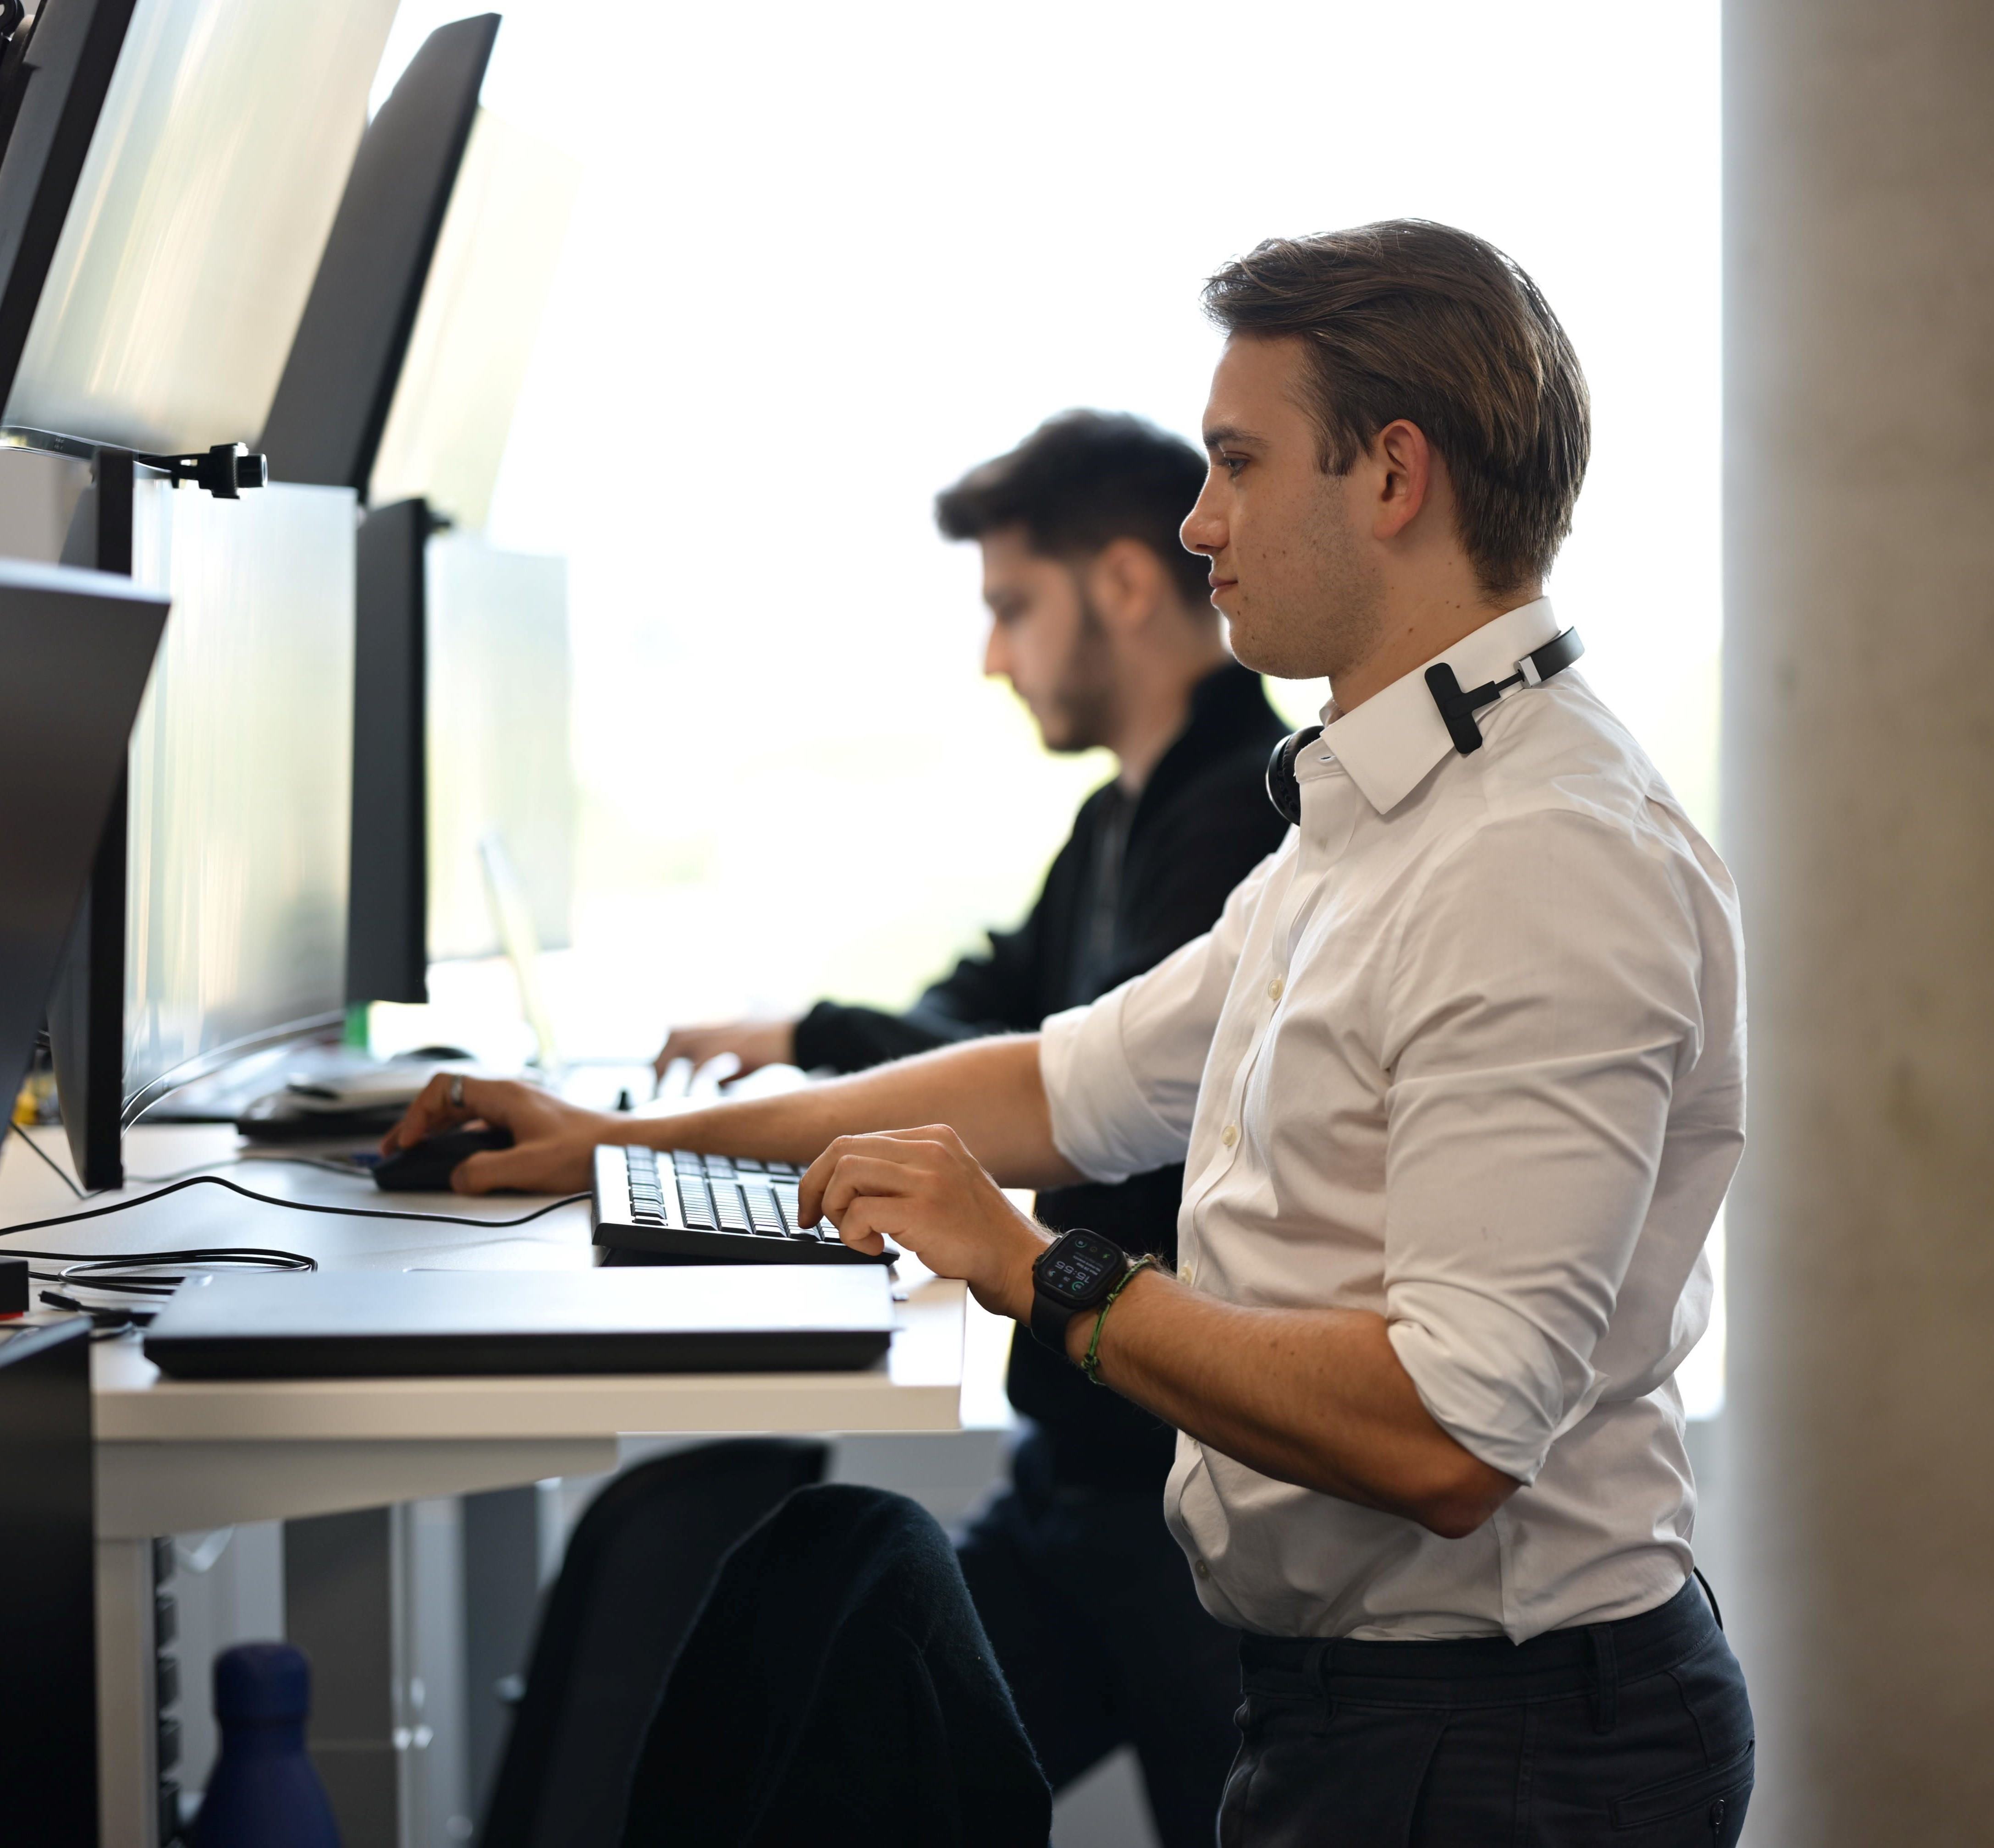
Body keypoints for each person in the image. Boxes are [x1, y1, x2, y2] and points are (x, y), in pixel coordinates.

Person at [391, 220, 1753, 1844]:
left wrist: (1047, 1271)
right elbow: (1062, 1079)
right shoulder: (1379, 821)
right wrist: (622, 1140)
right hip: (1357, 1708)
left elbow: (1452, 1430)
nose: (1199, 523)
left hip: (1499, 1748)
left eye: (1236, 465)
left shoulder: (1541, 861)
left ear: (1394, 478)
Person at [653, 411, 1293, 1844]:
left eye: (1014, 607)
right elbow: (988, 1009)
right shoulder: (1120, 821)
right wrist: (798, 1043)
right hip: (1079, 1481)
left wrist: (817, 1059)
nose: (995, 656)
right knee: (843, 1762)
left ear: (1126, 585)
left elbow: (1060, 1099)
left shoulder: (1244, 825)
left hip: (1175, 1499)